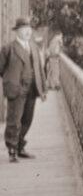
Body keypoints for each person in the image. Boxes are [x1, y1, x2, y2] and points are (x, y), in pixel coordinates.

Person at [0, 17, 48, 162]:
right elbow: (1, 68)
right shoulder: (9, 48)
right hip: (17, 89)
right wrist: (12, 80)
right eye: (23, 29)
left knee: (27, 119)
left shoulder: (33, 47)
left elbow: (40, 68)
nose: (27, 32)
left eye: (29, 29)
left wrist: (43, 88)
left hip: (32, 89)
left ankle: (20, 146)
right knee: (14, 120)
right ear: (17, 32)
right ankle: (12, 150)